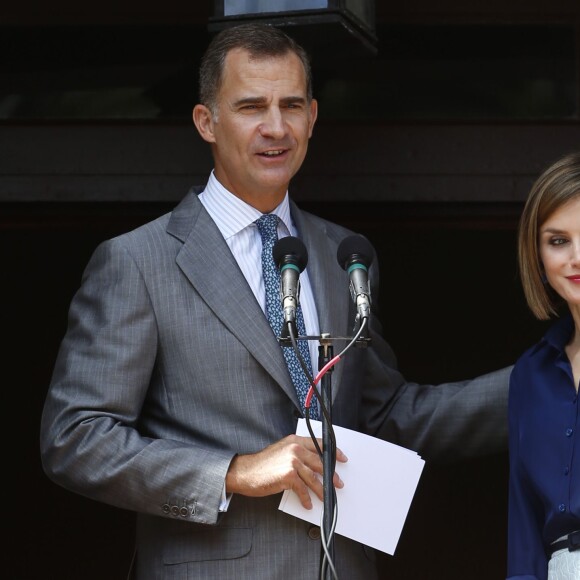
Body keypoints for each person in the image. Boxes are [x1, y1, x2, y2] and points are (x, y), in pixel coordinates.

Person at [40, 22, 510, 580]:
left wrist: (548, 377)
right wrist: (234, 471)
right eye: (250, 106)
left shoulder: (345, 255)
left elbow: (382, 418)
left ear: (312, 117)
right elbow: (75, 438)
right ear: (206, 121)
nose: (275, 127)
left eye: (291, 105)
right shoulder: (136, 262)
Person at [507, 152, 580, 580]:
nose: (576, 257)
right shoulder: (530, 374)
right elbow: (524, 525)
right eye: (558, 241)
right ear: (537, 254)